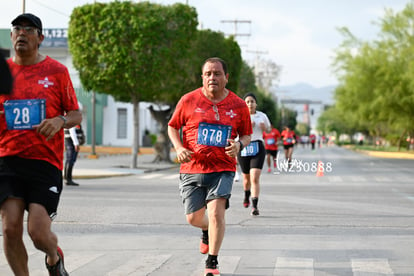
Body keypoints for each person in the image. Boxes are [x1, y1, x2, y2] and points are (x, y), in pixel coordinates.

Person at [0, 13, 82, 276]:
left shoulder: (57, 72)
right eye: (17, 29)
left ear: (40, 38)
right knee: (10, 228)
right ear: (11, 36)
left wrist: (60, 120)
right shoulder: (2, 72)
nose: (22, 33)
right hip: (7, 160)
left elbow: (75, 114)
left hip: (44, 163)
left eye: (29, 29)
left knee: (37, 232)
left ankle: (52, 255)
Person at [168, 57, 252, 276]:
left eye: (216, 73)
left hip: (223, 167)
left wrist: (238, 145)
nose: (212, 78)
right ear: (202, 77)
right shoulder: (188, 100)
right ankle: (205, 229)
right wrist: (178, 148)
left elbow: (246, 134)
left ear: (226, 77)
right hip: (192, 167)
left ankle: (212, 262)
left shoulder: (239, 105)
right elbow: (172, 127)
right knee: (194, 218)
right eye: (208, 74)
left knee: (216, 213)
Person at [237, 93, 271, 216]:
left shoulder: (262, 116)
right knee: (246, 180)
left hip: (258, 147)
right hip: (244, 148)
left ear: (256, 104)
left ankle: (255, 206)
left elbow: (269, 129)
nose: (250, 104)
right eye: (247, 101)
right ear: (244, 104)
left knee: (254, 177)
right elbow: (235, 132)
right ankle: (246, 195)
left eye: (252, 101)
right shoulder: (240, 115)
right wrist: (246, 128)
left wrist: (264, 128)